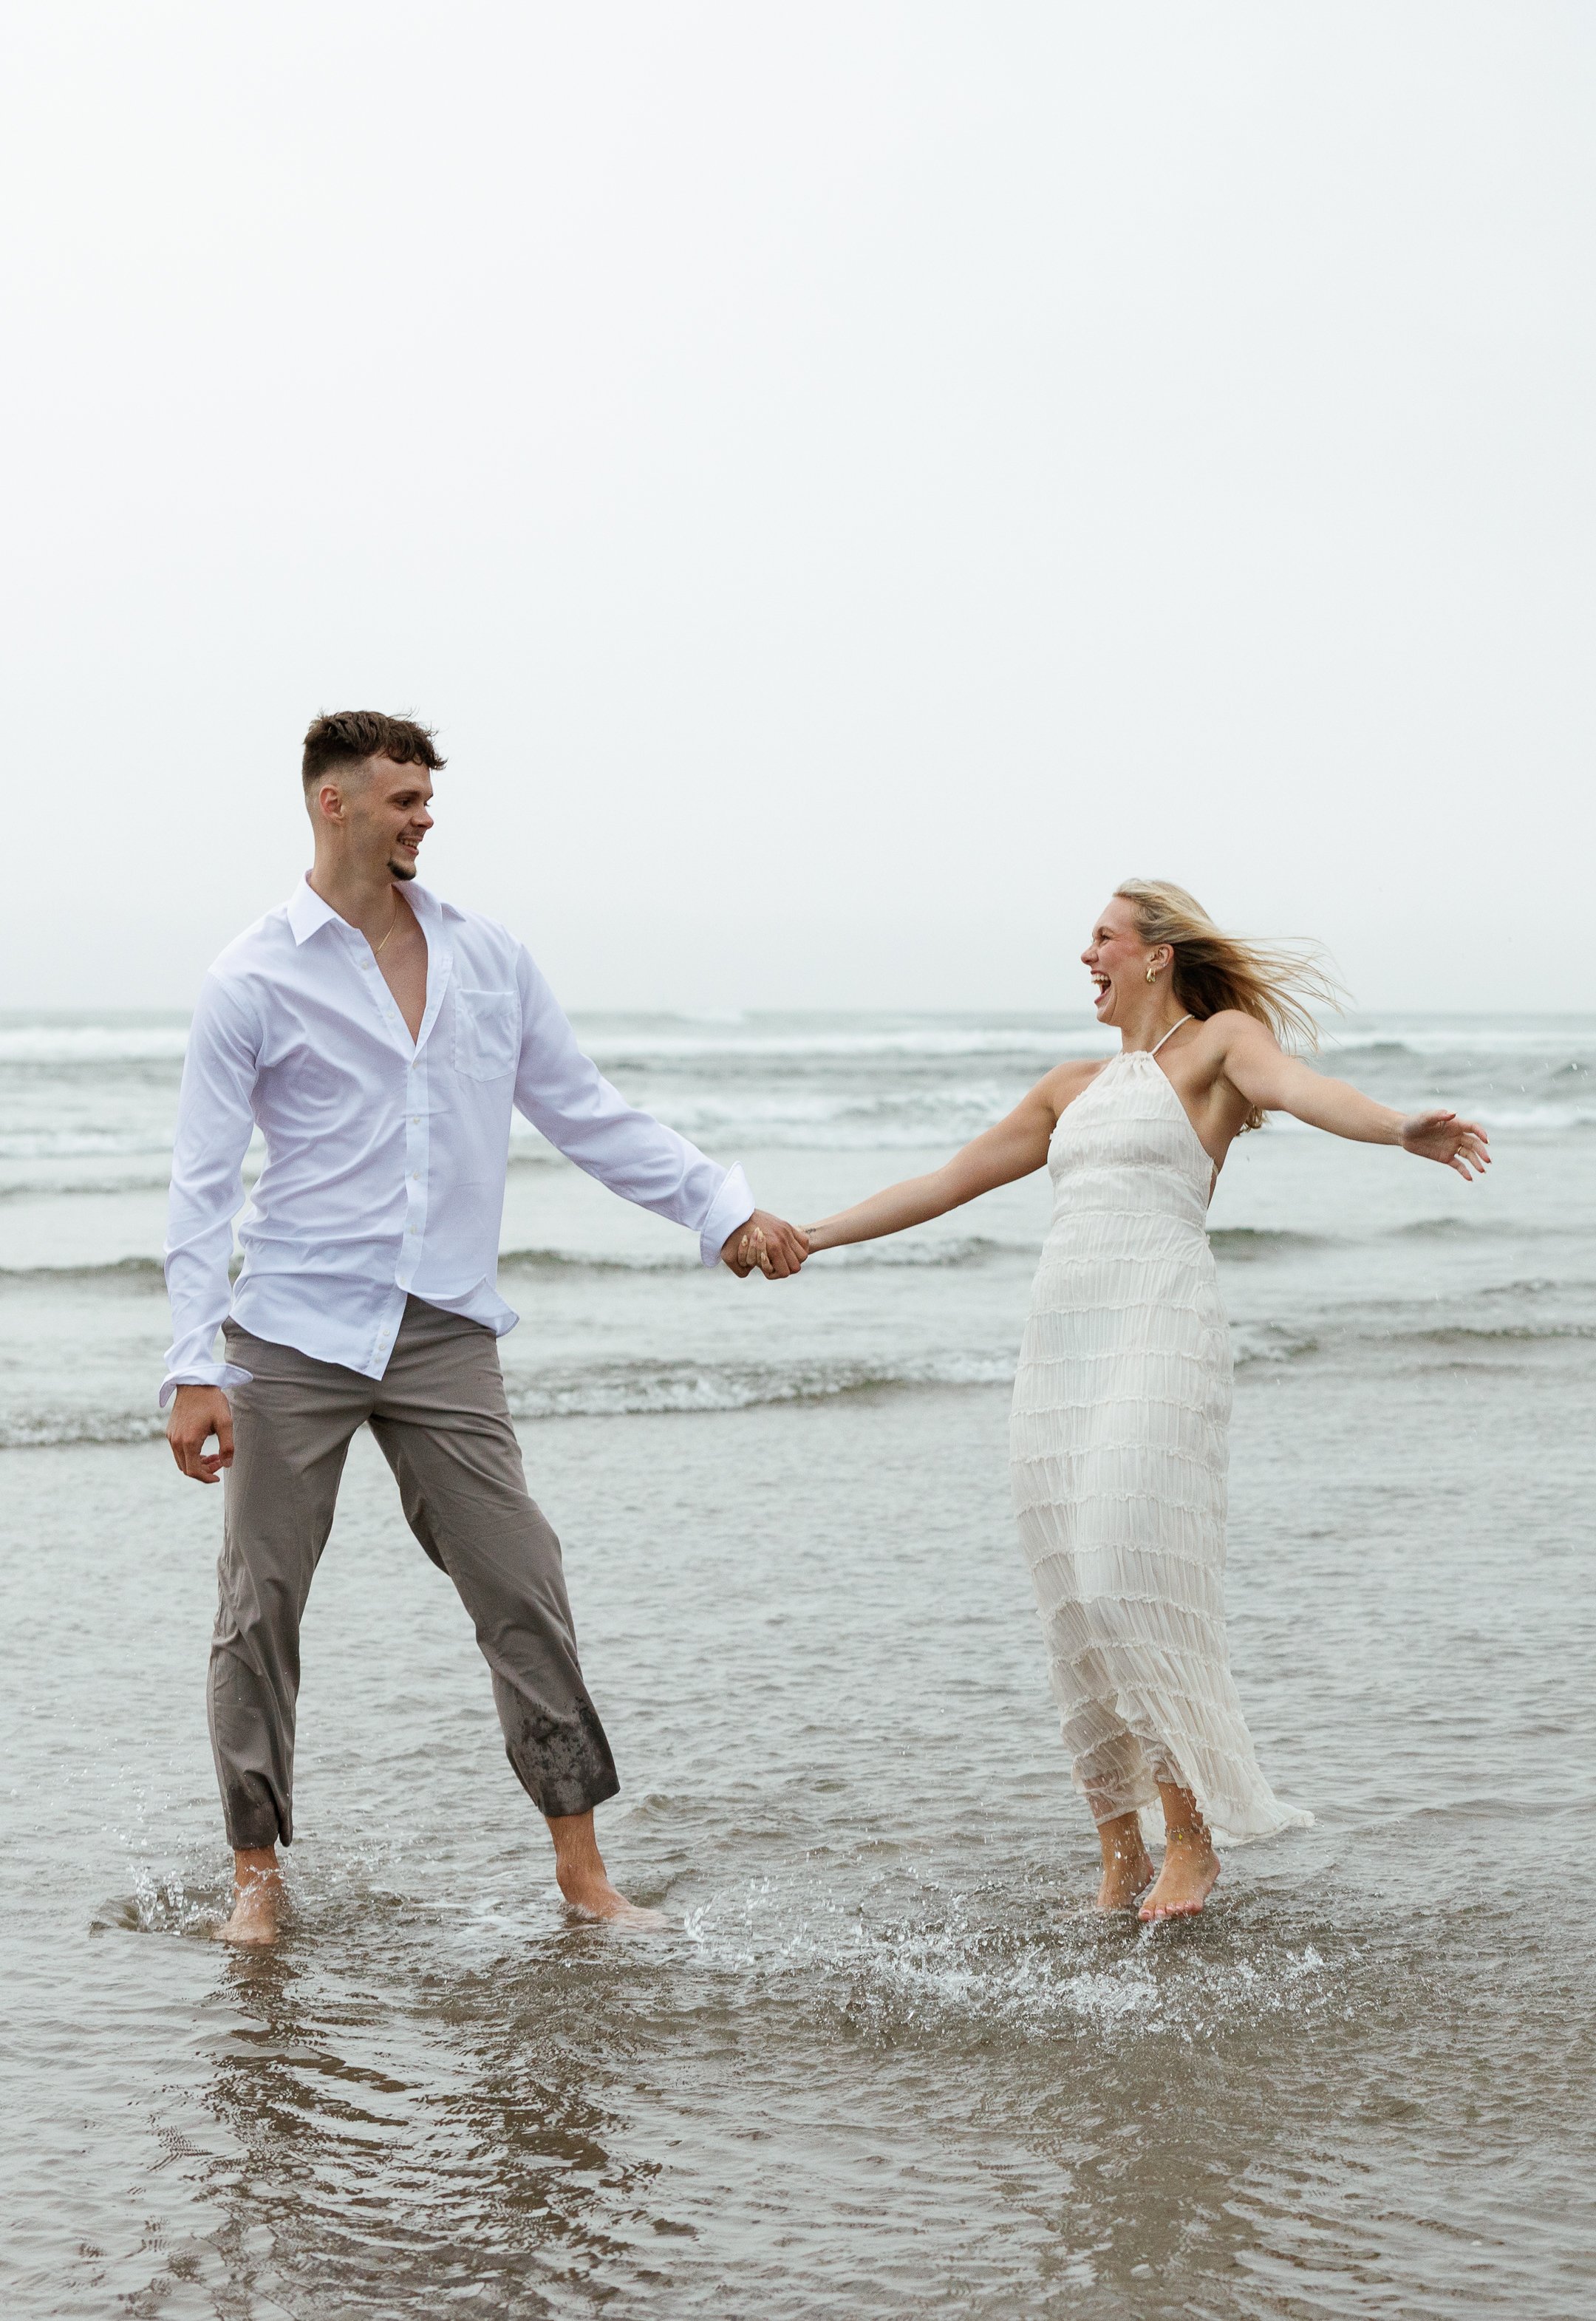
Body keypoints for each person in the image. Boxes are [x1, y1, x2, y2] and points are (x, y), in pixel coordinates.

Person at [163, 710, 807, 1944]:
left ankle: (583, 1871)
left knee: (523, 1583)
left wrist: (721, 1209)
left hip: (446, 1330)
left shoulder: (489, 958)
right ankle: (255, 1876)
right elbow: (201, 1183)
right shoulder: (251, 975)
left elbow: (588, 1112)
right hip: (292, 1333)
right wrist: (193, 1367)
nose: (424, 818)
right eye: (402, 798)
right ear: (334, 803)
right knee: (261, 1606)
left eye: (427, 799)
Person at [802, 880, 1489, 1923]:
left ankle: (1191, 1840)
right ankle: (1118, 1855)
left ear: (1157, 954)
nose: (1087, 954)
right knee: (1073, 1605)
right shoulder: (1069, 1086)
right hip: (1060, 1352)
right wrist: (811, 1236)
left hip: (1161, 1332)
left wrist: (1398, 1128)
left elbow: (1302, 1089)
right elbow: (946, 1181)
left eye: (1103, 938)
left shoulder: (1220, 1045)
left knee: (1128, 1572)